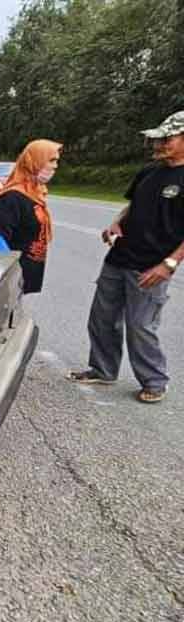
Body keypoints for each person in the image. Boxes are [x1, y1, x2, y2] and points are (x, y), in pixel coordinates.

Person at [68, 111, 184, 404]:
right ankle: (103, 369)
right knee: (102, 319)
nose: (158, 144)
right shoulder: (149, 171)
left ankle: (155, 381)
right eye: (157, 139)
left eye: (167, 139)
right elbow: (134, 205)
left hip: (151, 266)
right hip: (119, 258)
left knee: (141, 326)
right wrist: (116, 223)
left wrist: (169, 264)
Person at [0, 139, 62, 294]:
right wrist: (13, 272)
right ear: (35, 160)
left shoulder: (36, 194)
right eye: (51, 160)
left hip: (19, 280)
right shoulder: (12, 197)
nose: (55, 166)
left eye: (57, 161)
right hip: (3, 280)